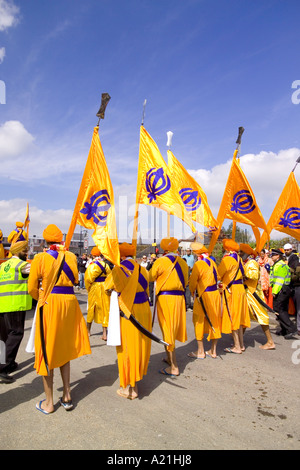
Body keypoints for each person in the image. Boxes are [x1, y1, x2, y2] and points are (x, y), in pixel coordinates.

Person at [28, 224, 91, 414]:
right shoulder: (71, 256)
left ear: (46, 240)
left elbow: (32, 287)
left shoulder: (40, 258)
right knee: (63, 348)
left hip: (50, 303)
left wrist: (41, 297)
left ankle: (48, 403)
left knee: (46, 351)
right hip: (70, 303)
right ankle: (67, 395)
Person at [104, 242, 152, 400]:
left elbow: (107, 287)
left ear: (121, 255)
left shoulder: (119, 269)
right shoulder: (142, 269)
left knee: (127, 346)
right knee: (140, 343)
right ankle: (136, 379)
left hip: (128, 310)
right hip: (144, 308)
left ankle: (131, 388)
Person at [149, 237, 189, 376]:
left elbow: (150, 277)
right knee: (171, 328)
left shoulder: (161, 261)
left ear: (164, 250)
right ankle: (168, 357)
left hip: (166, 298)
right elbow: (187, 281)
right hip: (179, 298)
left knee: (167, 329)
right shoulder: (183, 263)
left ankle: (174, 367)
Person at [0, 240, 32, 383]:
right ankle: (2, 367)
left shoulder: (3, 266)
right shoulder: (23, 265)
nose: (27, 253)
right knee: (15, 334)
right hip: (15, 305)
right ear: (18, 251)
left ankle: (9, 363)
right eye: (25, 251)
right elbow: (38, 271)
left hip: (2, 305)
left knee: (3, 338)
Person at [187, 242, 222, 359]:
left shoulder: (199, 264)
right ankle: (213, 350)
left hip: (203, 296)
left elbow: (192, 282)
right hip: (215, 295)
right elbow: (218, 277)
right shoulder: (212, 262)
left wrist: (193, 292)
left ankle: (200, 351)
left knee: (199, 321)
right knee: (214, 320)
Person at [239, 244, 275, 350]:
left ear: (247, 254)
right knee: (244, 315)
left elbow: (254, 275)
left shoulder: (252, 262)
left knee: (261, 316)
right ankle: (239, 340)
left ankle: (270, 341)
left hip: (253, 294)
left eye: (241, 252)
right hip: (248, 293)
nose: (239, 254)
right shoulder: (247, 262)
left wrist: (242, 274)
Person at [218, 239, 250, 354]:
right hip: (240, 289)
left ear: (227, 248)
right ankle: (241, 344)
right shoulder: (239, 259)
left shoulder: (227, 260)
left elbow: (218, 275)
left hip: (231, 290)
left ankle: (236, 346)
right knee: (239, 318)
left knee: (233, 317)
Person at [269, 248, 297, 339]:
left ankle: (291, 329)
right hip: (285, 289)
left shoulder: (279, 265)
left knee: (279, 310)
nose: (271, 256)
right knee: (283, 309)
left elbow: (279, 281)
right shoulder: (280, 264)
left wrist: (274, 292)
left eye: (273, 255)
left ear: (278, 256)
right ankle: (284, 329)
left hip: (282, 289)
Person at [84, 246, 111, 340]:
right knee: (105, 308)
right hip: (104, 286)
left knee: (91, 307)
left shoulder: (91, 266)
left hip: (94, 287)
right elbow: (109, 276)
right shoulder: (105, 265)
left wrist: (89, 289)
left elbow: (87, 279)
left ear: (92, 254)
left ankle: (88, 331)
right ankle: (105, 333)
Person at [284, 244, 300, 335]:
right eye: (285, 250)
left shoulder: (294, 259)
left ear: (291, 249)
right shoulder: (289, 259)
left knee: (298, 308)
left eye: (288, 250)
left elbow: (295, 273)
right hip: (291, 286)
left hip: (296, 286)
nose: (286, 251)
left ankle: (298, 328)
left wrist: (287, 269)